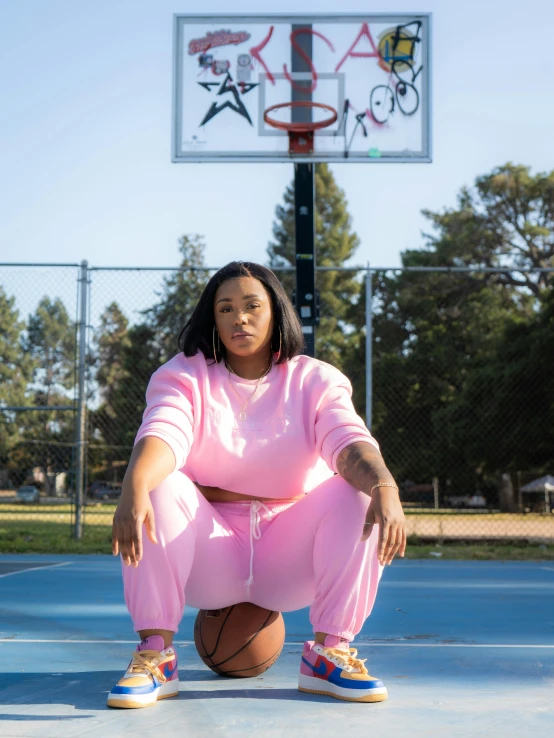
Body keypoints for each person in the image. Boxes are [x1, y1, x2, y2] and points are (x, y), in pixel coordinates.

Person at [107, 261, 406, 709]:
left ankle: (330, 653)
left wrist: (385, 484)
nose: (239, 317)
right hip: (209, 553)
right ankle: (155, 655)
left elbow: (348, 441)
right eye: (225, 308)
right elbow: (165, 431)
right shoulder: (185, 375)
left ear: (276, 312)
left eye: (251, 306)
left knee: (361, 489)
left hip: (288, 556)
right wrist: (135, 484)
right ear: (214, 319)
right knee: (156, 483)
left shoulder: (314, 379)